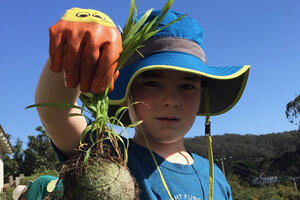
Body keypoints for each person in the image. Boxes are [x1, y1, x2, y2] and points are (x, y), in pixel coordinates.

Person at [35, 7, 250, 200]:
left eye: (187, 86)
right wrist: (79, 37)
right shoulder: (108, 153)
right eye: (153, 83)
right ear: (128, 90)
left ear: (203, 94)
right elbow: (55, 112)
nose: (171, 100)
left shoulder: (215, 176)